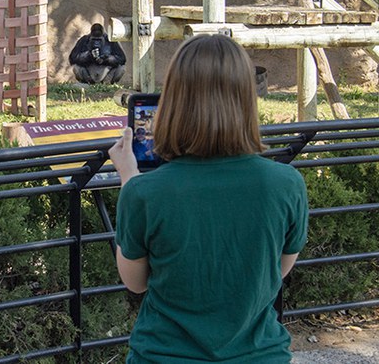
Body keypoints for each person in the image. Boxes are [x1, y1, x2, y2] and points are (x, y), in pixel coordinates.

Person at [108, 34, 309, 363]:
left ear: (173, 102)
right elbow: (277, 270)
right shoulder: (287, 184)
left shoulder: (144, 193)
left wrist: (129, 177)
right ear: (246, 99)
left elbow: (136, 283)